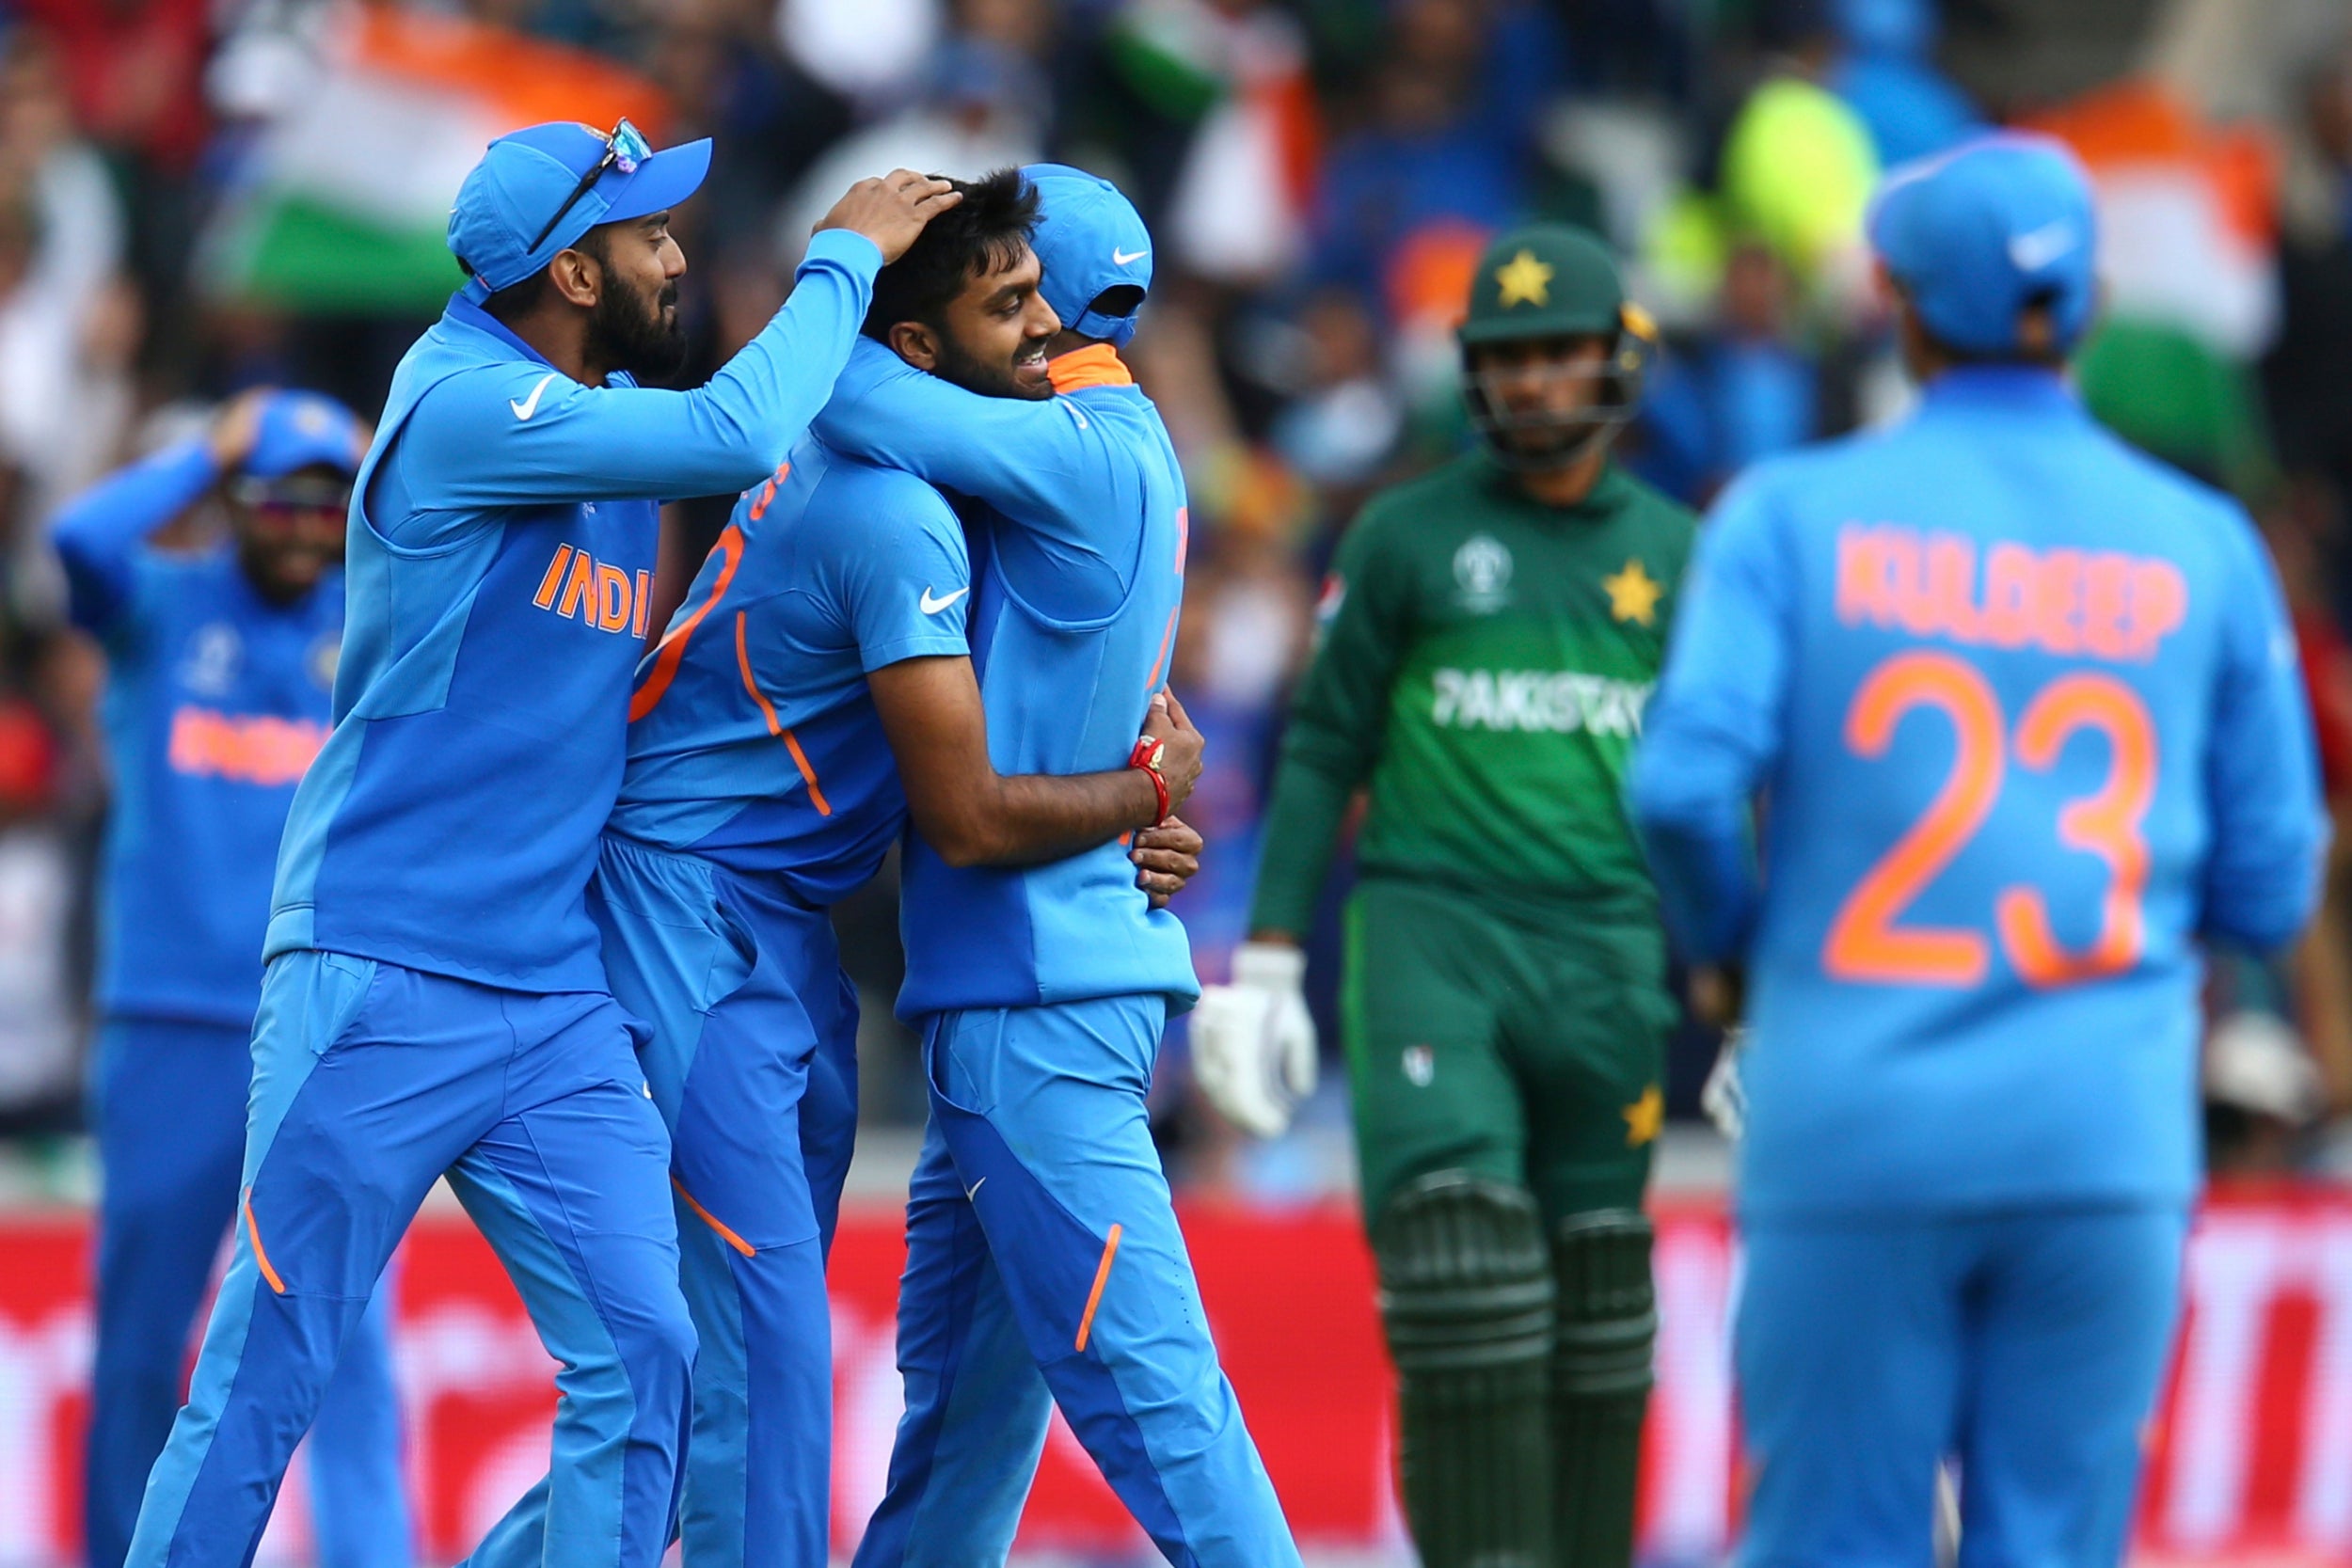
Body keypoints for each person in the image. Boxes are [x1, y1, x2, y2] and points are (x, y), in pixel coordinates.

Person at [121, 119, 957, 1568]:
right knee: (265, 1380)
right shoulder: (455, 401)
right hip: (378, 972)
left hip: (552, 995)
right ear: (574, 266)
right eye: (650, 237)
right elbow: (737, 432)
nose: (678, 255)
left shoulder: (612, 419)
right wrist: (841, 257)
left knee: (647, 1361)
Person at [476, 168, 1210, 1568]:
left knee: (703, 1377)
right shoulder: (896, 512)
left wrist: (1140, 803)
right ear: (915, 348)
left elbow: (1042, 715)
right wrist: (1144, 788)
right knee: (756, 1356)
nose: (1050, 326)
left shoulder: (937, 486)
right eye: (1010, 303)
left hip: (771, 929)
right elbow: (976, 816)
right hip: (689, 909)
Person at [1629, 135, 2327, 1568]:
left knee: (1835, 1544)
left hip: (1857, 1119)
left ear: (1893, 298)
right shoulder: (2205, 546)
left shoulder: (1788, 517)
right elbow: (2272, 884)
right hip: (2103, 1136)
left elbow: (1685, 789)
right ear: (2091, 303)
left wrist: (1739, 959)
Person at [810, 165, 1302, 1568]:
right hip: (1032, 991)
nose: (1016, 315)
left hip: (1035, 1006)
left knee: (1168, 1419)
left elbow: (831, 393)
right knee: (960, 1460)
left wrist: (854, 256)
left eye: (1020, 287)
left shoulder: (1080, 447)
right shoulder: (1108, 445)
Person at [1190, 222, 1693, 1568]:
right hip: (1435, 938)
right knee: (1463, 1275)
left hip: (1609, 949)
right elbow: (1322, 742)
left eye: (1560, 353)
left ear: (1618, 358)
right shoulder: (1407, 533)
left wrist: (1750, 981)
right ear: (1472, 373)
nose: (1534, 384)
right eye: (1509, 358)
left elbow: (1727, 785)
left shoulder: (1679, 551)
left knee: (1600, 1297)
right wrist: (1274, 959)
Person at [55, 388, 411, 1568]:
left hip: (322, 1023)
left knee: (344, 1339)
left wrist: (383, 467)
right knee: (144, 1338)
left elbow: (443, 554)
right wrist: (208, 446)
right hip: (174, 1022)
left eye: (327, 501)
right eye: (280, 497)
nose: (306, 524)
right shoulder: (161, 604)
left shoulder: (369, 619)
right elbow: (80, 541)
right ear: (232, 502)